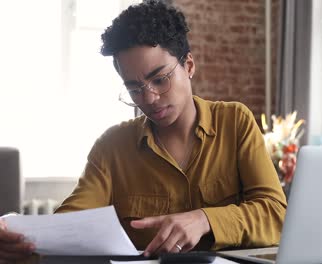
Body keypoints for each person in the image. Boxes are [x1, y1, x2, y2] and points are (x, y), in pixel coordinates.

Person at [0, 1, 287, 262]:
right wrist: (19, 233)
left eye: (160, 79)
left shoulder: (235, 122)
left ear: (188, 65)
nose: (148, 99)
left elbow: (277, 216)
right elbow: (70, 224)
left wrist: (204, 220)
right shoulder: (112, 146)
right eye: (133, 88)